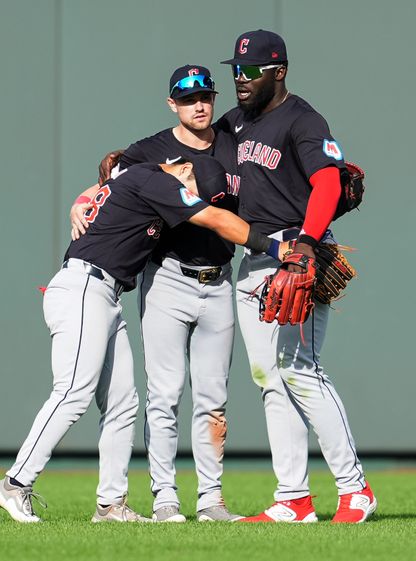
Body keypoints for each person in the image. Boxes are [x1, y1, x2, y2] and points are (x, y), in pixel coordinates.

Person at [0, 154, 286, 524]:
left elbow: (105, 180)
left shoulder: (139, 178)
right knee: (73, 392)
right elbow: (211, 217)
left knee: (122, 402)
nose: (195, 200)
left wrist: (80, 202)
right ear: (184, 171)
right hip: (84, 287)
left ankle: (111, 505)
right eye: (197, 192)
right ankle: (16, 483)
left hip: (104, 293)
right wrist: (277, 248)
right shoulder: (159, 181)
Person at [217, 29, 377, 524]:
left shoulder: (302, 120)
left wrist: (306, 243)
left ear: (278, 71)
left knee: (300, 369)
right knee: (270, 379)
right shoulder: (235, 122)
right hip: (254, 257)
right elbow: (194, 147)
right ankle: (293, 499)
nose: (241, 80)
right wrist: (130, 159)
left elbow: (328, 182)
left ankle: (355, 490)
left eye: (251, 71)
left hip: (297, 255)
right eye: (236, 71)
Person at [75, 65, 242, 522]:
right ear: (173, 104)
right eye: (188, 99)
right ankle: (165, 496)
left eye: (206, 95)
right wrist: (81, 199)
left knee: (214, 397)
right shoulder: (151, 149)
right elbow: (110, 186)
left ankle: (211, 500)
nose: (200, 105)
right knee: (164, 394)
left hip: (219, 279)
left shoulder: (232, 141)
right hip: (167, 276)